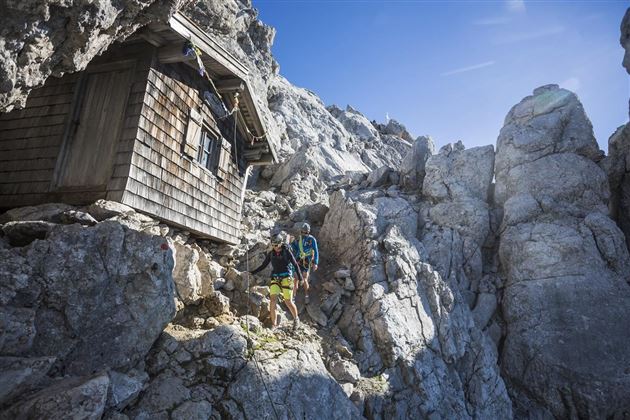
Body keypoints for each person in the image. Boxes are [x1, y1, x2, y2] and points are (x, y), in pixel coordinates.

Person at [249, 234, 303, 331]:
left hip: (287, 277)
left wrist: (300, 278)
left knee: (288, 301)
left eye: (276, 245)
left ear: (281, 243)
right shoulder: (271, 254)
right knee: (273, 300)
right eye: (273, 245)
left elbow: (295, 264)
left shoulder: (287, 251)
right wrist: (252, 272)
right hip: (275, 278)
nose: (275, 247)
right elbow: (264, 265)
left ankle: (296, 319)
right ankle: (274, 325)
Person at [291, 222, 319, 304]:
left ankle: (307, 295)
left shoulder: (312, 239)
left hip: (307, 261)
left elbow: (316, 251)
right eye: (303, 232)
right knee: (295, 278)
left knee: (305, 278)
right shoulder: (298, 239)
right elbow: (295, 248)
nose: (304, 233)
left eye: (306, 232)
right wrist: (291, 243)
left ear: (308, 232)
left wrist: (315, 263)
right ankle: (293, 296)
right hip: (299, 259)